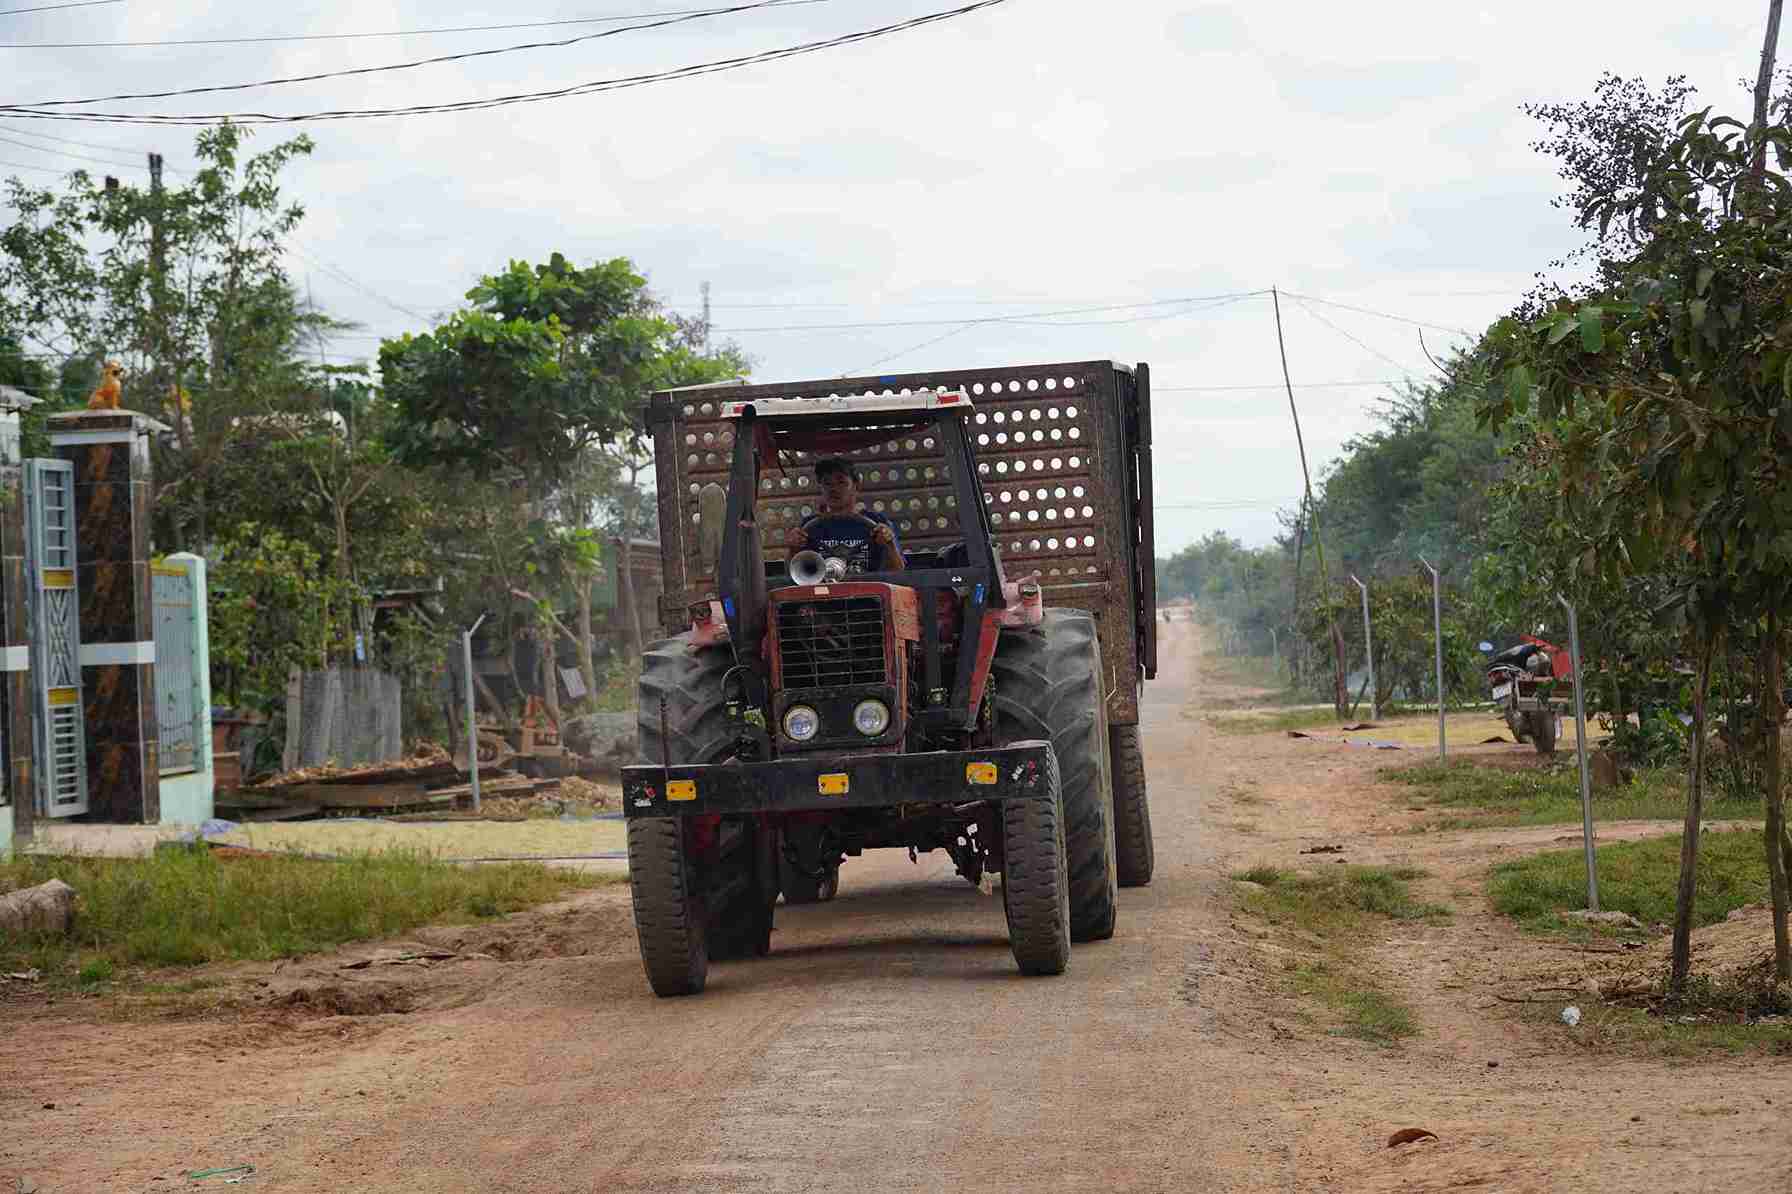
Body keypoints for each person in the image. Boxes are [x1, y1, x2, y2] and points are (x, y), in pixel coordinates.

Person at [783, 456, 906, 572]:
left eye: (841, 482)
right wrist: (793, 549)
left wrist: (890, 545)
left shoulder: (878, 522)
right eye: (827, 483)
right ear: (821, 488)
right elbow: (793, 574)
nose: (834, 489)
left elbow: (897, 571)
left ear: (856, 486)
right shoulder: (808, 526)